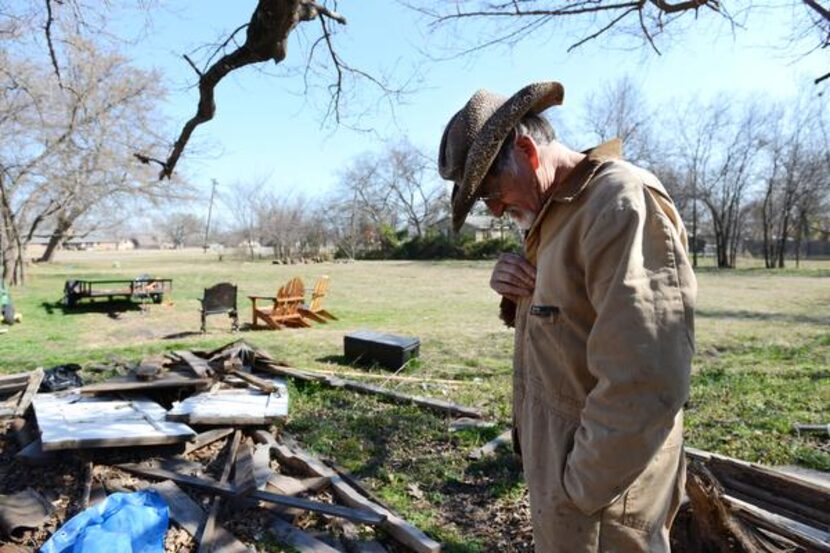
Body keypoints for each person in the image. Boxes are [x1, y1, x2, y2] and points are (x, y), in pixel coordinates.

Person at [438, 82, 696, 552]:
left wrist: (582, 485)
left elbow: (646, 376)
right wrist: (512, 293)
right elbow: (568, 324)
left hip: (604, 498)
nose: (495, 210)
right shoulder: (553, 216)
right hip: (571, 491)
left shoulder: (619, 203)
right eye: (482, 202)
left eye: (492, 191)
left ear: (526, 150)